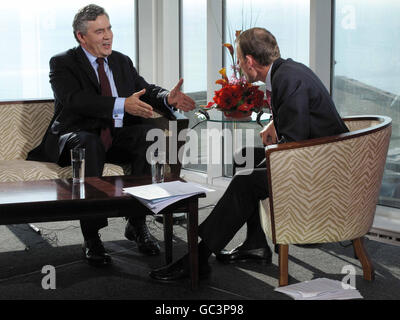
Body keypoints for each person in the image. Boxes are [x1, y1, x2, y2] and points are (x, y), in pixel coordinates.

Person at [149, 27, 349, 281]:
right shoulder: (287, 71)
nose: (241, 66)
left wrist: (262, 165)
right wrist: (274, 123)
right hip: (321, 154)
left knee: (246, 181)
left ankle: (197, 258)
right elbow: (300, 116)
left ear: (250, 61)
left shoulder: (287, 79)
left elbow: (293, 146)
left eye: (241, 59)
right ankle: (255, 244)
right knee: (245, 156)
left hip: (321, 168)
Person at [27, 4, 195, 267]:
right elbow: (75, 101)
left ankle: (137, 222)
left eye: (109, 29)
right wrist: (120, 105)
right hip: (76, 136)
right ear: (81, 37)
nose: (108, 37)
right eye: (99, 32)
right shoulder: (62, 63)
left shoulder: (121, 61)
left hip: (114, 137)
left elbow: (145, 90)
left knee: (149, 134)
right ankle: (91, 235)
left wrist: (166, 98)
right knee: (89, 142)